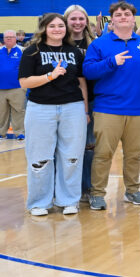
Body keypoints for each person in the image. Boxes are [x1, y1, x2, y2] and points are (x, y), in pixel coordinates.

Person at [83, 1, 140, 210]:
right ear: (112, 20)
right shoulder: (99, 44)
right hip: (108, 109)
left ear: (134, 18)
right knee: (103, 154)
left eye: (127, 14)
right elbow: (88, 71)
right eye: (118, 14)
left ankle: (132, 190)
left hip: (138, 111)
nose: (123, 17)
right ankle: (97, 193)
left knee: (134, 155)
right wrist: (111, 62)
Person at [18, 13, 89, 216]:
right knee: (40, 157)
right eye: (52, 26)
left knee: (72, 156)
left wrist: (85, 110)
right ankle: (39, 203)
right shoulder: (32, 51)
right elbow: (24, 82)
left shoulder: (74, 52)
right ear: (44, 29)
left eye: (60, 25)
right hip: (41, 108)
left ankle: (69, 200)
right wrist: (50, 75)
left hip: (73, 107)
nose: (57, 29)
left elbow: (82, 83)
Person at [64, 5, 97, 202]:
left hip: (91, 100)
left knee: (89, 146)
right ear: (66, 20)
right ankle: (65, 190)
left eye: (81, 19)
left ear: (86, 21)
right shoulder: (58, 42)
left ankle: (87, 188)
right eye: (73, 19)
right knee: (66, 147)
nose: (77, 23)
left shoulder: (95, 44)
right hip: (64, 100)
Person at [0, 29, 26, 140]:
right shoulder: (0, 50)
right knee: (1, 112)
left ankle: (20, 133)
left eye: (11, 37)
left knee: (18, 111)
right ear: (3, 39)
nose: (9, 39)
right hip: (1, 87)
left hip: (18, 87)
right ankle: (1, 133)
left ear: (15, 38)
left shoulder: (22, 50)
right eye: (7, 37)